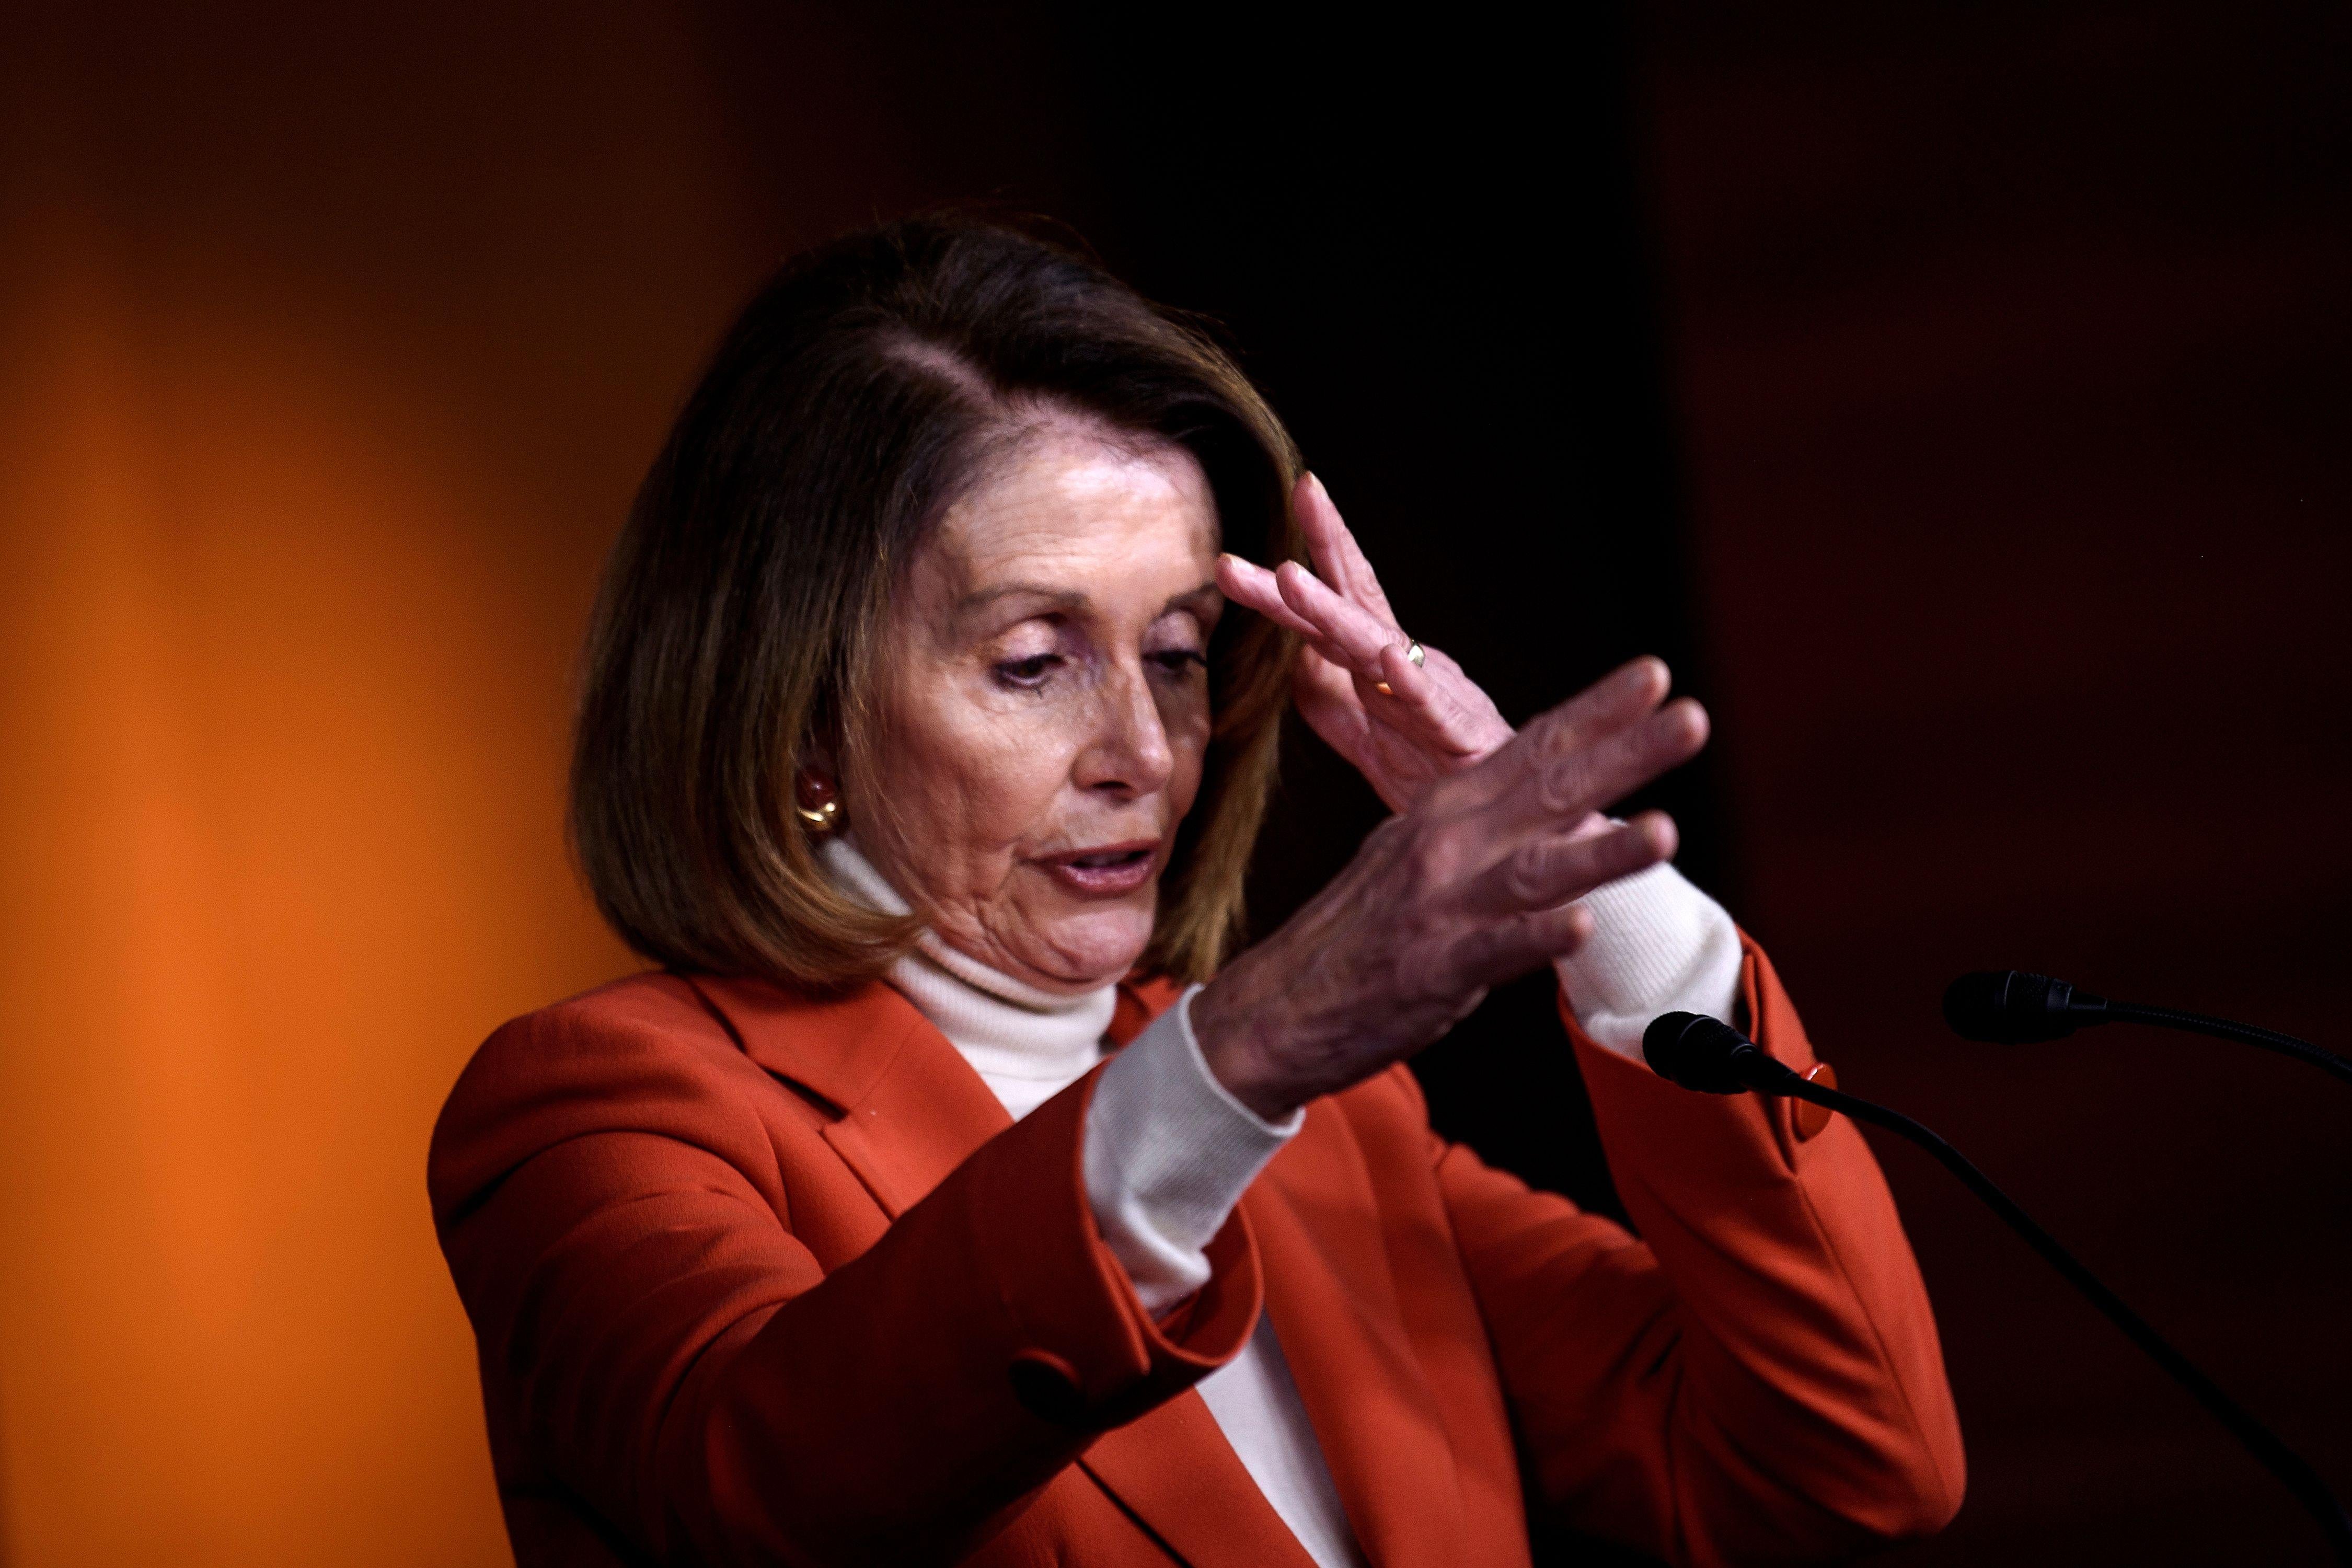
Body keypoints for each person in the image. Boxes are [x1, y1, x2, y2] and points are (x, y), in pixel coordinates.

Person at [428, 216, 1964, 1568]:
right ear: (801, 713)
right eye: (1032, 664)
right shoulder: (603, 1111)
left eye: (1173, 653)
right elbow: (763, 1498)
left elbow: (1841, 1472)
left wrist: (1595, 896)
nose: (1144, 750)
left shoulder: (1341, 1132)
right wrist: (1241, 1054)